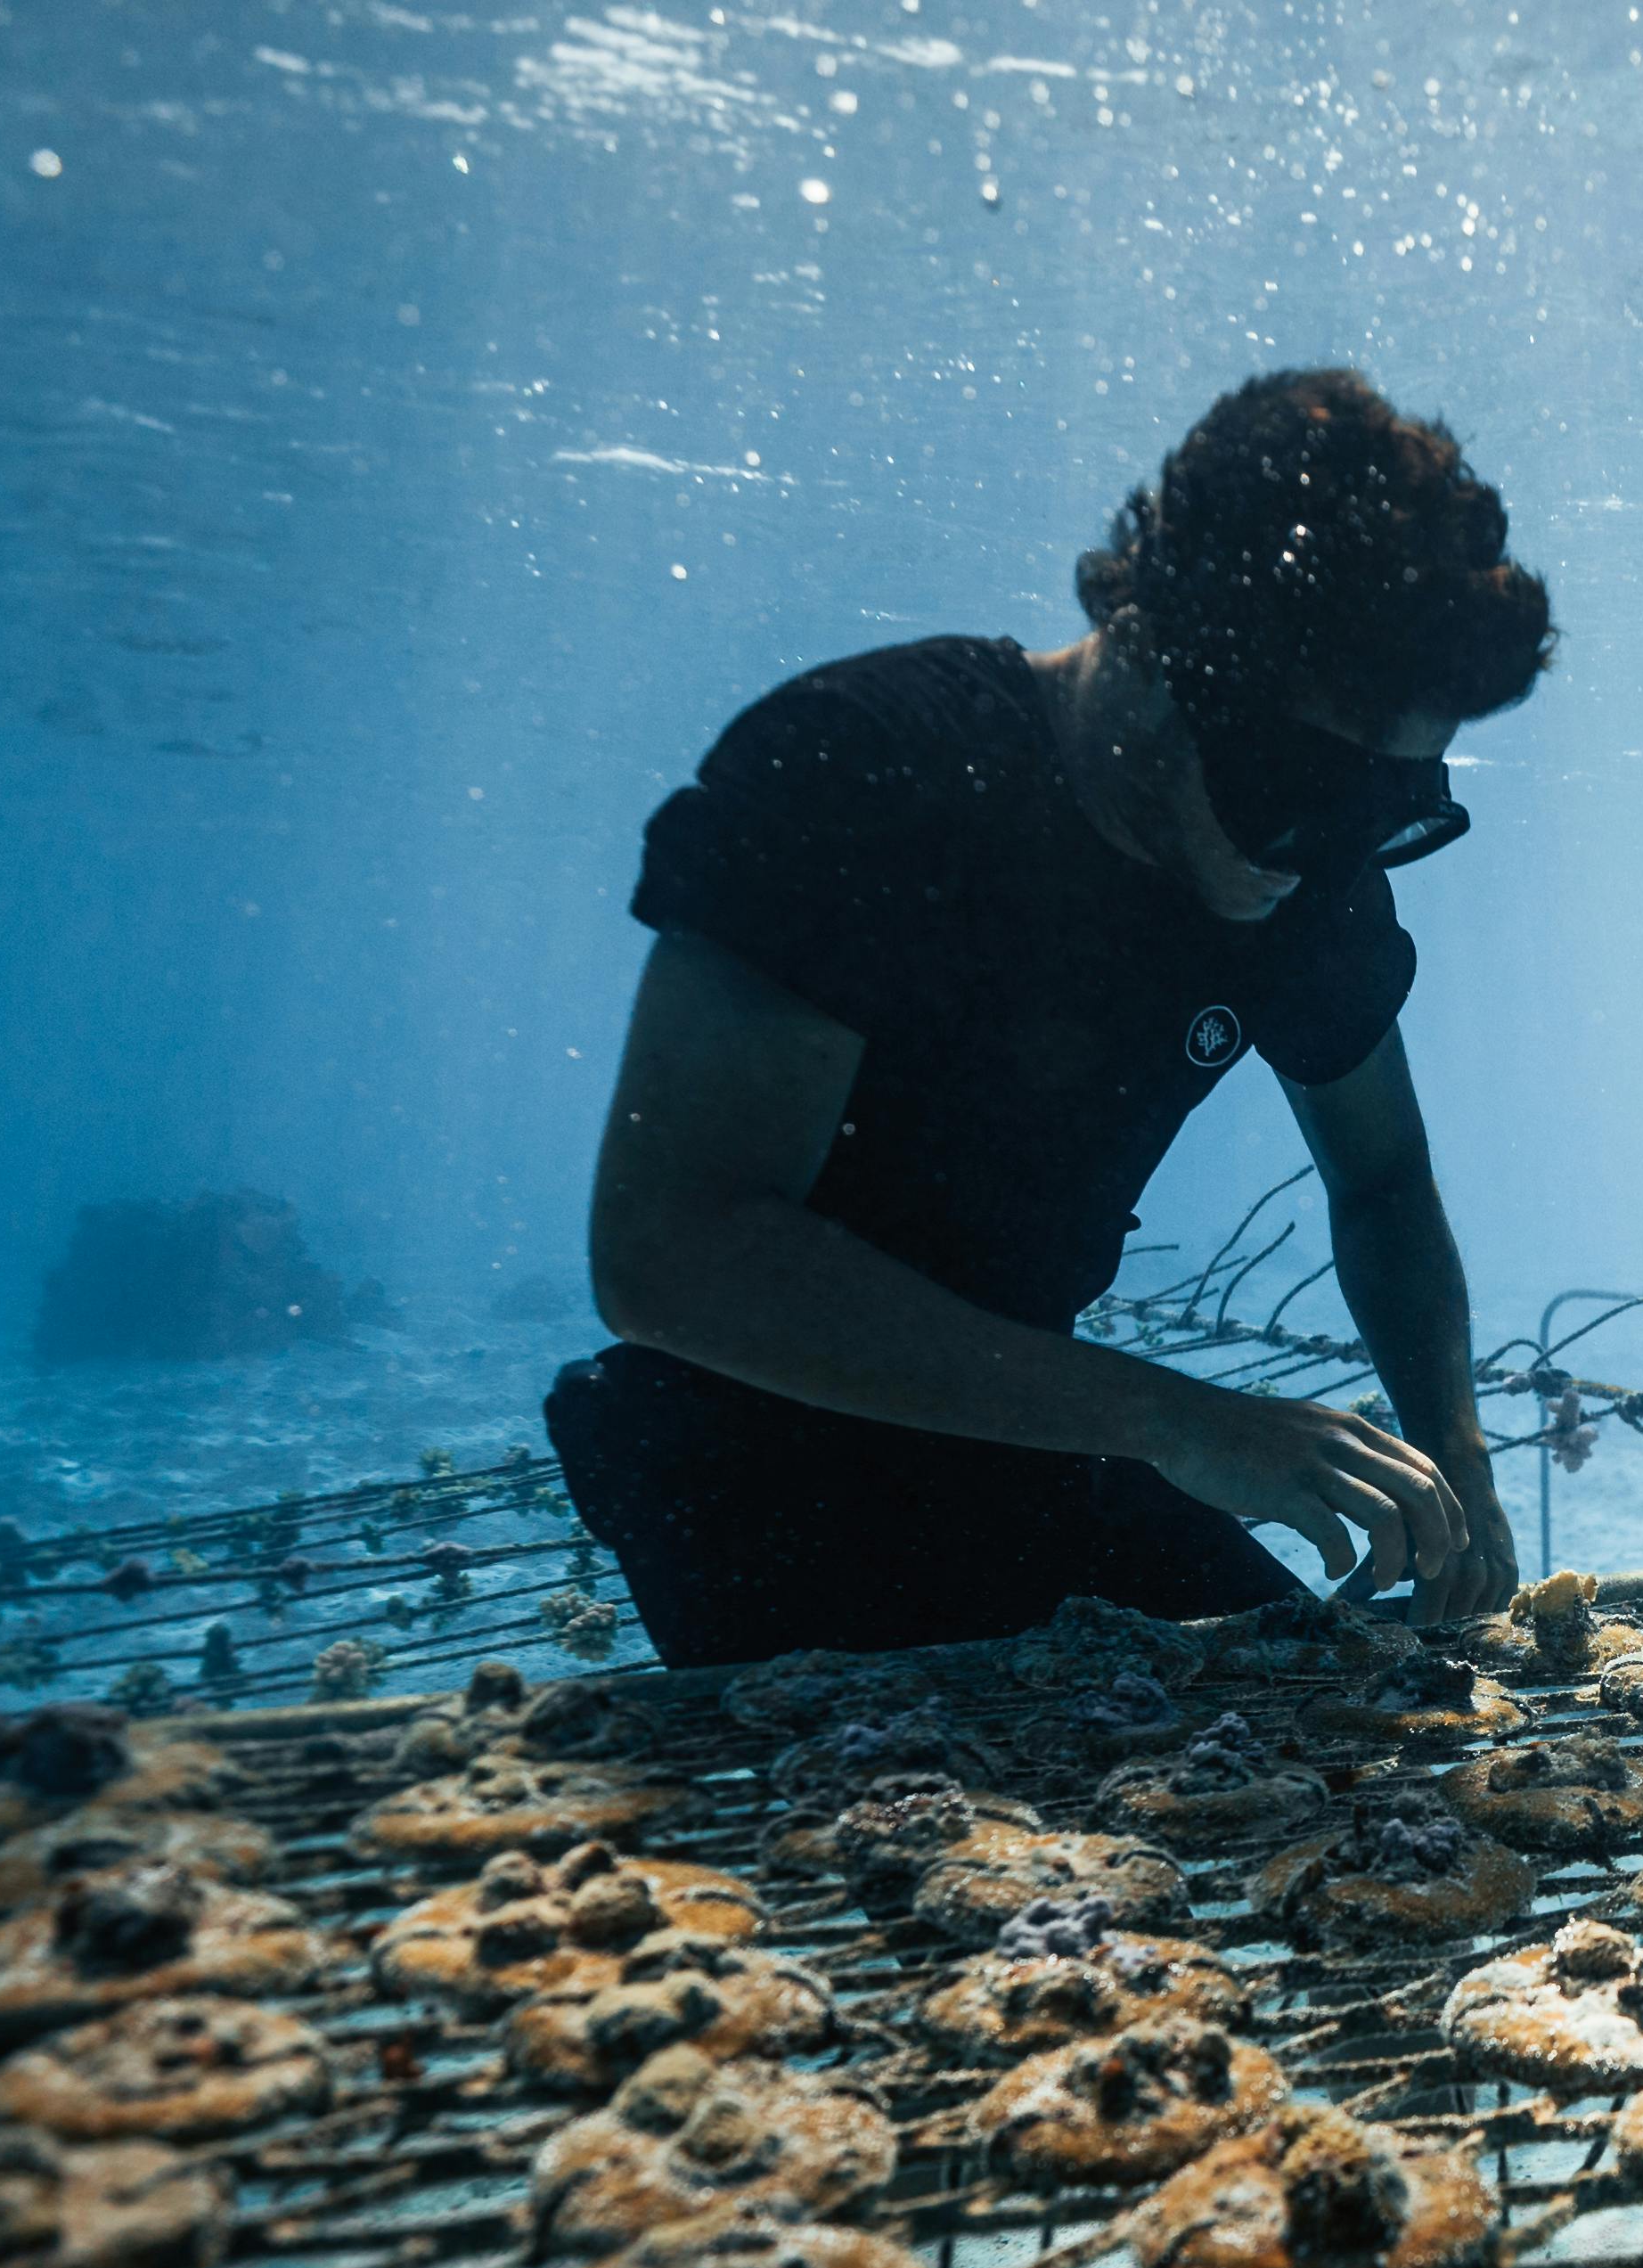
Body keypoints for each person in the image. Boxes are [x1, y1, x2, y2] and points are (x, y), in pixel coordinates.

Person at [547, 368, 1551, 1665]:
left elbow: (1385, 1179)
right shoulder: (859, 775)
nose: (1322, 857)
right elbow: (669, 1251)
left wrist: (1452, 1442)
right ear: (1145, 646)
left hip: (1046, 1428)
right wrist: (1177, 1420)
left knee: (1340, 1735)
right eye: (1297, 788)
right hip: (748, 1440)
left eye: (1388, 805)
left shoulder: (1313, 874)